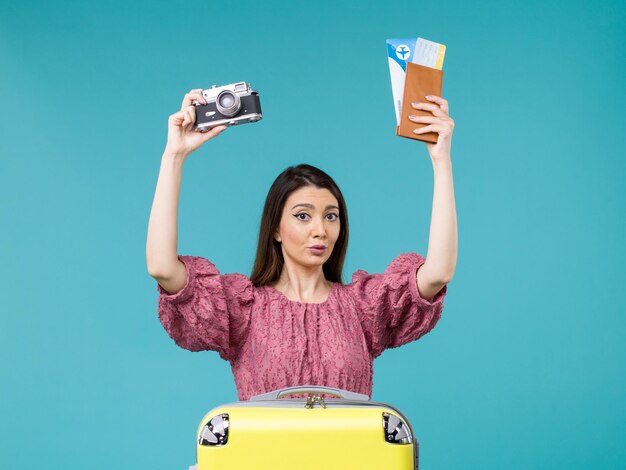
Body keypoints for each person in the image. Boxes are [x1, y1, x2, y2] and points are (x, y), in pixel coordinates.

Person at [146, 88, 458, 401]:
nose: (320, 230)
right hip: (261, 452)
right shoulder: (243, 310)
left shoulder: (363, 307)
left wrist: (440, 158)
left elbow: (437, 274)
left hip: (352, 452)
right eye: (303, 216)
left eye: (331, 216)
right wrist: (174, 156)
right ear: (276, 229)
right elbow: (162, 267)